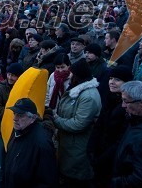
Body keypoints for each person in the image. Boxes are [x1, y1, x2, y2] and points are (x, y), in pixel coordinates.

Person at [49, 59, 102, 188]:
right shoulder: (78, 90)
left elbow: (78, 124)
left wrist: (56, 119)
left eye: (72, 73)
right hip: (69, 145)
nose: (69, 75)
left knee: (75, 181)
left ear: (79, 75)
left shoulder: (88, 96)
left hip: (78, 149)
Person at [88, 65, 133, 188]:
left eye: (117, 79)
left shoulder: (129, 106)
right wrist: (91, 149)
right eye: (111, 78)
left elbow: (121, 138)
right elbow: (99, 126)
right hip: (100, 154)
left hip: (113, 160)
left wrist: (103, 158)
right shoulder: (109, 98)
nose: (112, 82)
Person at [3, 98, 59, 188]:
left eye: (20, 115)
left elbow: (47, 181)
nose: (14, 118)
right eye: (14, 113)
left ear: (33, 118)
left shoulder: (42, 144)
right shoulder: (18, 130)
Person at [0, 62, 23, 188]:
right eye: (9, 74)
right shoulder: (0, 88)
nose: (10, 77)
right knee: (0, 161)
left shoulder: (22, 88)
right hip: (0, 131)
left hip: (17, 131)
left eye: (14, 75)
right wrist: (14, 113)